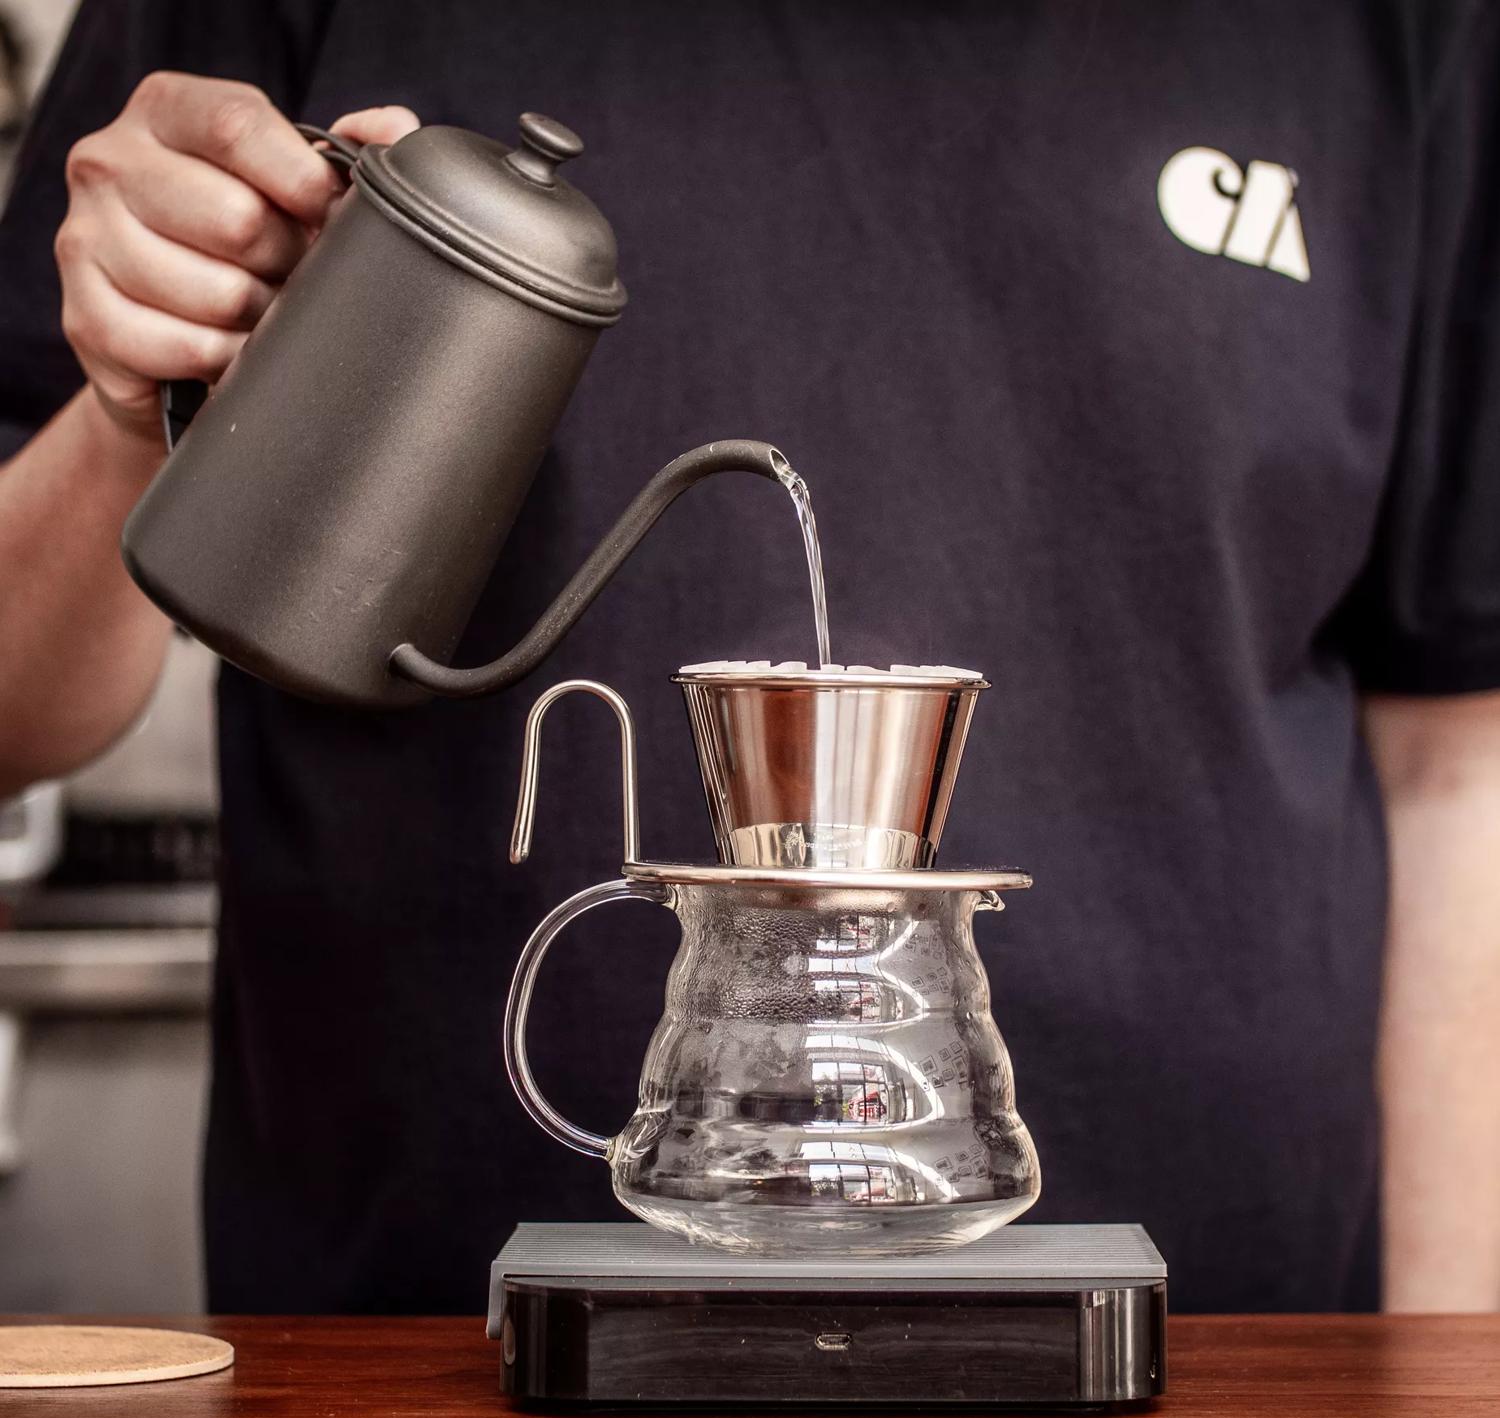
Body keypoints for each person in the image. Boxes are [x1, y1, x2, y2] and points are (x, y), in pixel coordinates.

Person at [1, 1, 1497, 1316]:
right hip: (419, 1384)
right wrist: (142, 397)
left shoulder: (1416, 30)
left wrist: (1443, 1409)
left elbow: (1461, 766)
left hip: (1231, 1379)